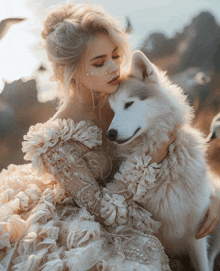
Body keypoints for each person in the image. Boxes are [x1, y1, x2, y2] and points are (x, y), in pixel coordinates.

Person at [0, 3, 219, 270]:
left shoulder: (125, 96)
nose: (114, 68)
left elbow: (181, 149)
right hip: (95, 225)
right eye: (99, 62)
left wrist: (211, 195)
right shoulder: (54, 141)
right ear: (71, 70)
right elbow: (103, 213)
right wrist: (148, 160)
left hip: (157, 211)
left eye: (116, 55)